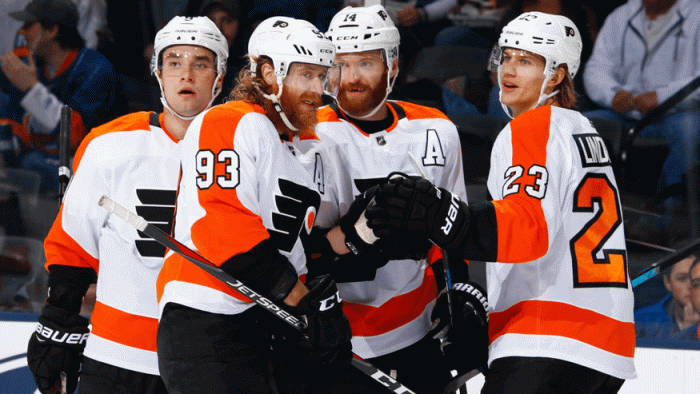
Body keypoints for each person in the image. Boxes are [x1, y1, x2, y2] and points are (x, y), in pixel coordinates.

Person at [367, 12, 637, 393]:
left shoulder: (531, 127)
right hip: (607, 347)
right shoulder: (584, 130)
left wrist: (442, 216)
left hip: (548, 339)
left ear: (557, 74)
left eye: (526, 61)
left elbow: (527, 230)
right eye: (507, 57)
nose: (509, 70)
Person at [26, 16, 228, 394]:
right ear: (158, 72)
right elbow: (73, 246)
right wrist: (58, 321)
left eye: (201, 63)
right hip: (115, 357)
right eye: (174, 62)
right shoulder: (110, 144)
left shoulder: (248, 148)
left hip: (208, 362)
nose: (186, 74)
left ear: (219, 77)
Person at [155, 16, 353, 394]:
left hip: (268, 324)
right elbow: (221, 226)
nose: (317, 89)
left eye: (321, 76)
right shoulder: (229, 122)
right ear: (268, 73)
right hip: (208, 321)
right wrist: (304, 303)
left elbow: (300, 247)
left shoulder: (310, 147)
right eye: (306, 75)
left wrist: (362, 231)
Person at [304, 5, 489, 393]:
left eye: (366, 63)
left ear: (393, 64)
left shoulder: (435, 130)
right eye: (341, 64)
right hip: (330, 335)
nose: (350, 78)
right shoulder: (304, 135)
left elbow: (451, 232)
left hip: (415, 332)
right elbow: (292, 251)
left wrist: (458, 295)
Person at [583, 0, 700, 208]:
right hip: (627, 114)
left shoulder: (696, 13)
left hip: (680, 113)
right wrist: (613, 93)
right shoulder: (621, 16)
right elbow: (596, 69)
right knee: (580, 126)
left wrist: (661, 97)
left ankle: (671, 218)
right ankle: (593, 210)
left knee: (690, 129)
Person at [0, 0, 116, 193]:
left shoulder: (95, 69)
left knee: (34, 164)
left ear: (52, 30)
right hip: (41, 164)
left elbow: (74, 138)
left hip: (91, 176)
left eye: (29, 25)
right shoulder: (33, 65)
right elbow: (15, 122)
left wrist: (31, 89)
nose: (21, 32)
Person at [635, 254, 700, 339]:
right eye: (682, 278)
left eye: (696, 281)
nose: (690, 285)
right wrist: (689, 329)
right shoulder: (642, 321)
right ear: (667, 283)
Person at [197, 0, 246, 104]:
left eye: (227, 20)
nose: (219, 29)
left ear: (241, 23)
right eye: (211, 22)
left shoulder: (253, 70)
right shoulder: (190, 69)